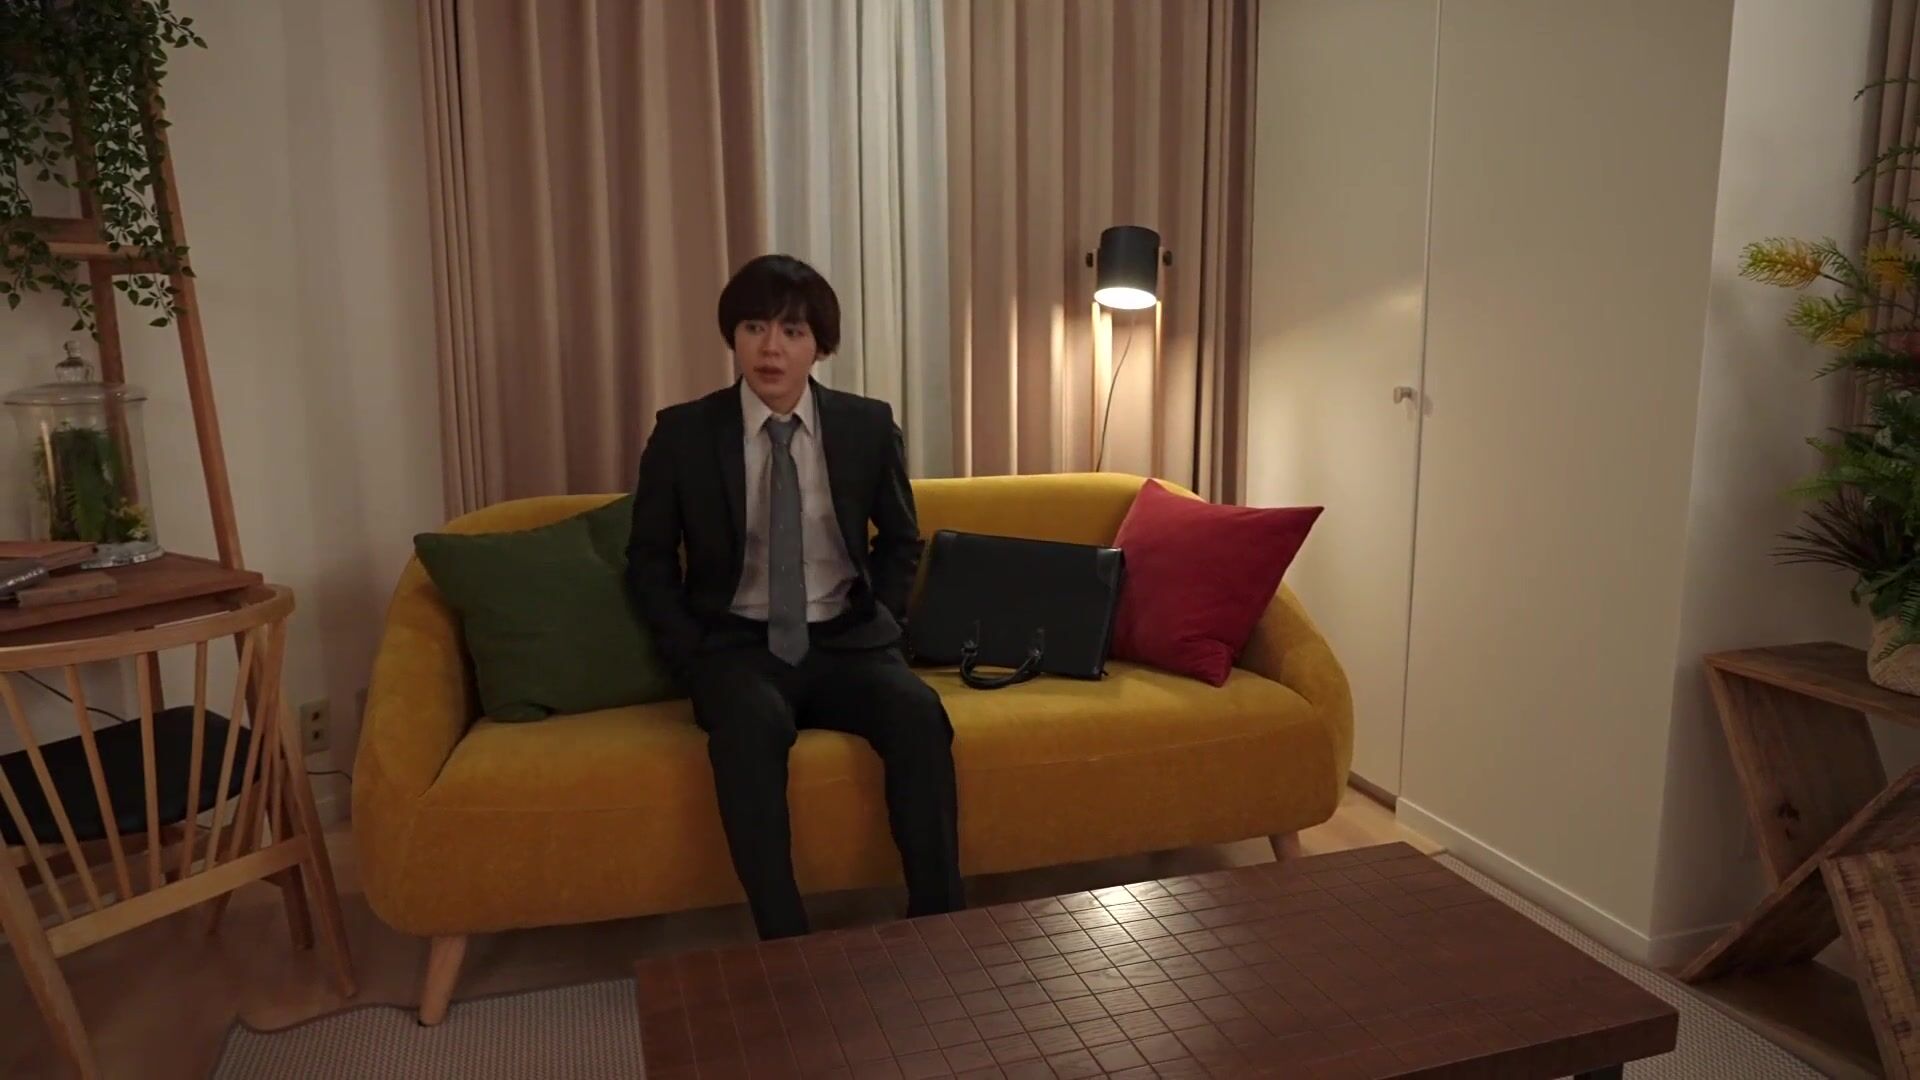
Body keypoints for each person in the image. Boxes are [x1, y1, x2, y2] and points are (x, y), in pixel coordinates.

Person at [624, 254, 965, 939]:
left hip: (846, 640)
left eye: (792, 330)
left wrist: (885, 619)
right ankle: (785, 944)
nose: (771, 348)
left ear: (819, 346)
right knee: (748, 732)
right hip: (737, 646)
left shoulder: (866, 427)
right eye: (754, 327)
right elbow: (649, 559)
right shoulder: (685, 434)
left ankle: (939, 927)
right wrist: (690, 654)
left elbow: (902, 538)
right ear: (733, 336)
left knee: (920, 715)